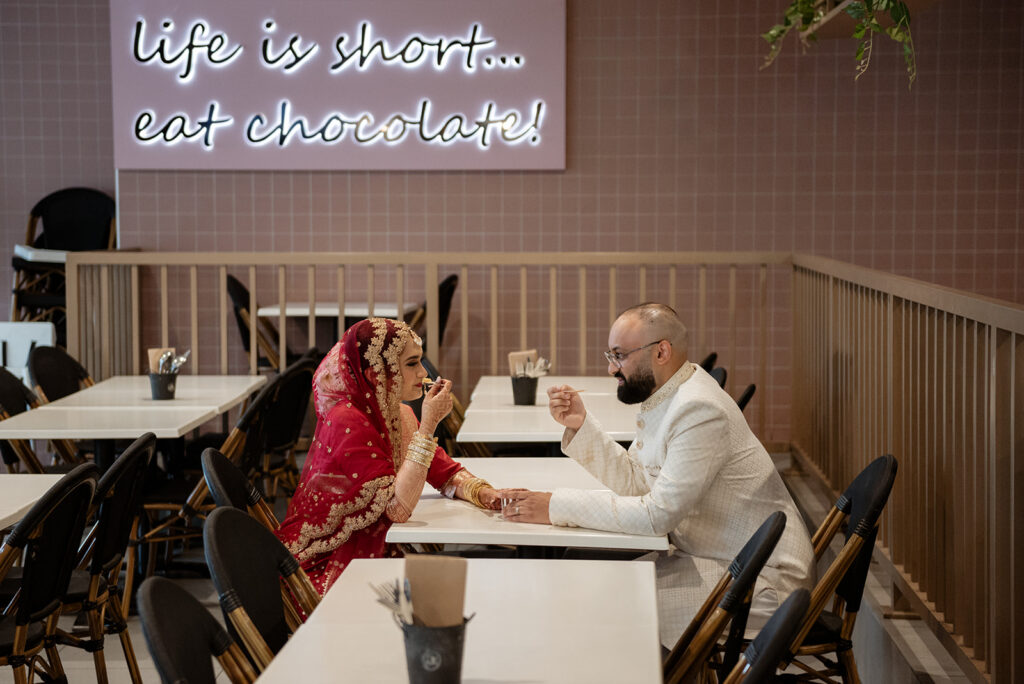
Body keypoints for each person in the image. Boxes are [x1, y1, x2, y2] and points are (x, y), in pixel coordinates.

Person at [502, 303, 815, 649]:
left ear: (662, 351)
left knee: (604, 605)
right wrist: (580, 426)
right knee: (593, 590)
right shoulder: (670, 394)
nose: (610, 368)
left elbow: (657, 514)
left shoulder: (698, 408)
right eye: (610, 355)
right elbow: (639, 482)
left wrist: (553, 506)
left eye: (619, 356)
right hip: (716, 557)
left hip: (761, 580)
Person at [276, 317, 505, 595]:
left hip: (381, 544)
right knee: (458, 590)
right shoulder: (345, 420)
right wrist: (430, 423)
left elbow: (444, 472)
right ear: (377, 373)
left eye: (420, 362)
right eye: (411, 364)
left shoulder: (398, 413)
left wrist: (484, 494)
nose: (423, 373)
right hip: (335, 559)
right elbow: (397, 509)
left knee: (470, 586)